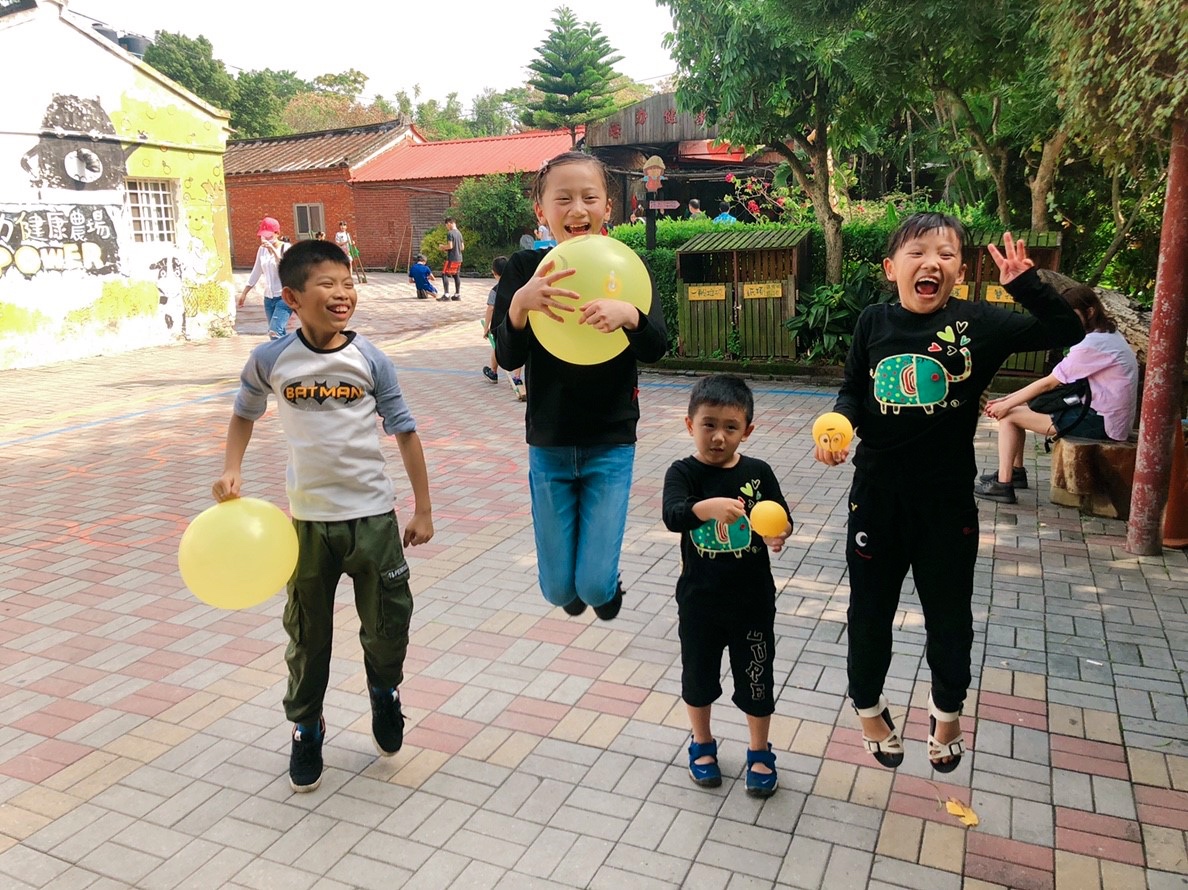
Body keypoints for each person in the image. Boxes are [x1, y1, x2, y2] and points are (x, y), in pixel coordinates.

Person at [814, 215, 1083, 774]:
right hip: (877, 499)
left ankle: (947, 712)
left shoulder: (979, 323)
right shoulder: (871, 322)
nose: (931, 262)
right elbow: (852, 392)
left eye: (946, 253)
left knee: (950, 618)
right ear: (893, 269)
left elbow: (1069, 333)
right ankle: (867, 707)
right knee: (869, 613)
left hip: (947, 504)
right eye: (917, 252)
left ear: (959, 272)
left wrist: (1026, 284)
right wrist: (839, 424)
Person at [212, 239, 434, 794]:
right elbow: (243, 415)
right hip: (307, 525)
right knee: (307, 637)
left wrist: (423, 508)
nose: (343, 294)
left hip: (375, 521)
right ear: (291, 297)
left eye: (348, 283)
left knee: (387, 628)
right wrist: (231, 469)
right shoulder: (270, 360)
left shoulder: (370, 359)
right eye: (328, 285)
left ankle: (385, 693)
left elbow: (405, 432)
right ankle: (306, 727)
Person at [492, 150, 668, 620]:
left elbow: (657, 346)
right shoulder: (525, 268)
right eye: (563, 198)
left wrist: (630, 315)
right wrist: (520, 306)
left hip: (610, 441)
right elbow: (507, 356)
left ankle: (603, 587)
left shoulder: (625, 265)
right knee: (556, 592)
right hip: (548, 442)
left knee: (592, 585)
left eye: (589, 197)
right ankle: (582, 587)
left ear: (607, 207)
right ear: (541, 211)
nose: (577, 209)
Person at [662, 375, 792, 798]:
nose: (719, 437)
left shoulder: (758, 472)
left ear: (747, 431)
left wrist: (778, 533)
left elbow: (780, 517)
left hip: (753, 603)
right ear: (689, 425)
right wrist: (706, 507)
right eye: (709, 424)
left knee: (757, 679)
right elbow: (674, 515)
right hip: (699, 602)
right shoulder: (683, 472)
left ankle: (759, 750)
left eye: (731, 428)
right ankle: (701, 742)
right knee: (698, 678)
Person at [975, 284, 1139, 503]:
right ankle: (1015, 473)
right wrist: (1007, 399)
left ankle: (1003, 485)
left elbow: (1049, 383)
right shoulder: (1107, 335)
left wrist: (1005, 405)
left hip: (1101, 422)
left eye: (1072, 315)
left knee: (1009, 416)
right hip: (1103, 415)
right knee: (1016, 410)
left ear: (1090, 312)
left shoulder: (1094, 344)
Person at [238, 216, 291, 340]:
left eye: (269, 236)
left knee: (275, 331)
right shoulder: (262, 250)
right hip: (269, 298)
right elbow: (256, 271)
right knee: (277, 333)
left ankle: (281, 357)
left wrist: (273, 250)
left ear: (277, 233)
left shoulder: (286, 248)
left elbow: (285, 267)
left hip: (284, 297)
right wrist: (245, 292)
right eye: (264, 236)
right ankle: (288, 355)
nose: (266, 239)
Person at [482, 255, 524, 397]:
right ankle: (517, 377)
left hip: (499, 325)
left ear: (494, 273)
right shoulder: (518, 286)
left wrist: (486, 327)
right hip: (517, 322)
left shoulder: (495, 290)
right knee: (519, 348)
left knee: (497, 347)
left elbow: (490, 309)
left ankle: (493, 372)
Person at [440, 217, 464, 300]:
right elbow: (462, 247)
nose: (447, 227)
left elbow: (450, 246)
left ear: (449, 223)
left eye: (446, 225)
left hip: (452, 258)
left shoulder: (450, 233)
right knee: (456, 275)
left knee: (444, 274)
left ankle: (446, 295)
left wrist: (443, 247)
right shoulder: (459, 233)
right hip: (459, 258)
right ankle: (457, 295)